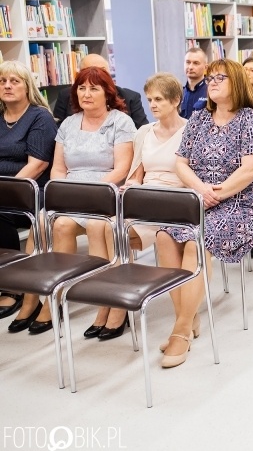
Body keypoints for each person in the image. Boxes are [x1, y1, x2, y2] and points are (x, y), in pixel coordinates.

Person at [161, 59, 253, 366]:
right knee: (164, 238)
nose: (212, 82)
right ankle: (188, 314)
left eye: (220, 77)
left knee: (197, 242)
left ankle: (181, 331)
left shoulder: (252, 121)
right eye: (210, 78)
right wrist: (201, 189)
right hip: (202, 198)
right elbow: (180, 162)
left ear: (236, 82)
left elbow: (250, 171)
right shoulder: (198, 118)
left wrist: (217, 192)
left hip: (244, 203)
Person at [12, 66, 135, 336]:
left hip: (104, 194)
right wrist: (65, 190)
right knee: (48, 223)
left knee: (81, 226)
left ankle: (101, 300)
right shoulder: (69, 123)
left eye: (94, 88)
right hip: (70, 192)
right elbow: (57, 167)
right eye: (81, 88)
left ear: (107, 93)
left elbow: (121, 170)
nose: (86, 94)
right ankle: (50, 296)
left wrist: (87, 192)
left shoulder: (120, 122)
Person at [92, 73, 188, 352]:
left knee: (118, 232)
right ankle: (113, 300)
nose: (152, 105)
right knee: (108, 226)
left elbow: (192, 175)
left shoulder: (191, 130)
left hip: (176, 199)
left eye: (159, 99)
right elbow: (136, 173)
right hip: (144, 196)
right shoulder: (144, 132)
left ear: (175, 100)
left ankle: (119, 307)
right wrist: (130, 186)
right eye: (149, 100)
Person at [0, 61, 58, 321]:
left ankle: (13, 285)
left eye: (15, 81)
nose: (7, 85)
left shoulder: (39, 117)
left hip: (31, 193)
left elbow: (37, 166)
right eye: (3, 81)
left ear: (27, 86)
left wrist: (5, 190)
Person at [53, 54, 148, 128]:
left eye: (103, 71)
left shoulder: (130, 98)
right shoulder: (66, 96)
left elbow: (142, 133)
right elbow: (57, 131)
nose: (98, 76)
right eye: (90, 71)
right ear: (80, 74)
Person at [180, 47, 208, 118]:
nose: (190, 67)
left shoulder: (211, 91)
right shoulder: (179, 93)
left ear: (206, 67)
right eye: (188, 62)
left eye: (196, 63)